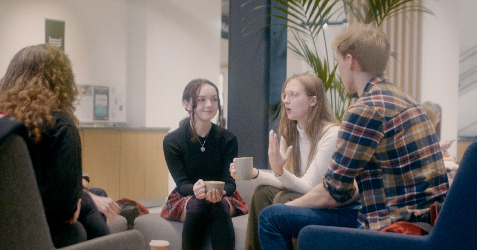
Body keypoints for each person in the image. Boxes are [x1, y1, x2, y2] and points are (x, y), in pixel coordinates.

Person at [258, 25, 449, 250]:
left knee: (271, 217)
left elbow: (332, 193)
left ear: (350, 61)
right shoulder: (407, 101)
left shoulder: (366, 108)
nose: (339, 70)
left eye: (338, 63)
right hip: (430, 225)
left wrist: (292, 207)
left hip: (393, 228)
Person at [0, 44, 112, 247]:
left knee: (93, 199)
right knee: (79, 223)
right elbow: (65, 211)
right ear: (63, 82)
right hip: (34, 231)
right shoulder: (59, 126)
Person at [229, 73, 339, 250]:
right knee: (261, 193)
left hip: (325, 204)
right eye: (285, 95)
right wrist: (255, 174)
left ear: (313, 100)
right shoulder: (290, 132)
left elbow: (308, 186)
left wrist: (280, 171)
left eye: (293, 95)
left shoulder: (331, 134)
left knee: (283, 197)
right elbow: (285, 180)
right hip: (301, 194)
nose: (286, 100)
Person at [161, 79, 248, 250]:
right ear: (187, 104)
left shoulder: (228, 139)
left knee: (217, 204)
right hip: (186, 195)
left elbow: (230, 182)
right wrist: (196, 190)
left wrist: (222, 191)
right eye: (201, 100)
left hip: (223, 196)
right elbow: (182, 184)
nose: (209, 104)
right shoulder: (172, 141)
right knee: (198, 203)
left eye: (214, 99)